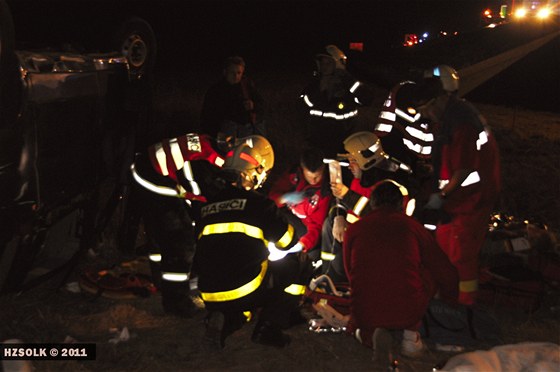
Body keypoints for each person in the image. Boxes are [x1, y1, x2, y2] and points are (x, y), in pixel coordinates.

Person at [192, 137, 312, 349]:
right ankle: (270, 326)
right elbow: (287, 242)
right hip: (245, 289)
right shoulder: (259, 204)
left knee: (239, 295)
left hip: (208, 291)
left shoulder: (206, 205)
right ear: (256, 171)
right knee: (299, 262)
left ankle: (224, 319)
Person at [343, 180, 459, 366]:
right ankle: (410, 338)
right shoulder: (412, 227)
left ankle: (368, 335)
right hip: (408, 310)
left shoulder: (355, 229)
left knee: (366, 279)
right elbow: (443, 269)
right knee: (426, 270)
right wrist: (451, 299)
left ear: (372, 203)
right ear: (400, 204)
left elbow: (350, 271)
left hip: (365, 310)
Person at [415, 65, 501, 306]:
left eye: (428, 109)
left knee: (462, 256)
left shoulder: (461, 122)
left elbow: (463, 169)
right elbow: (452, 161)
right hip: (459, 198)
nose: (428, 115)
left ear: (441, 98)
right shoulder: (451, 115)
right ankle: (445, 299)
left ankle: (464, 308)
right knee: (443, 249)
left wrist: (440, 195)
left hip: (471, 199)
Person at [124, 132, 230, 316]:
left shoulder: (209, 145)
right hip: (155, 180)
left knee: (159, 232)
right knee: (181, 240)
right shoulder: (206, 163)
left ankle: (160, 279)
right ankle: (177, 302)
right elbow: (197, 194)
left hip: (144, 169)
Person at [321, 131, 416, 282]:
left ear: (366, 161)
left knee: (339, 264)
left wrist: (347, 195)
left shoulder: (391, 188)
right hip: (354, 245)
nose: (350, 166)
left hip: (375, 255)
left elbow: (380, 218)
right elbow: (346, 206)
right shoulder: (359, 181)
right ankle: (327, 279)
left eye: (353, 161)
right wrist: (339, 216)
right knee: (329, 223)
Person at [300, 45, 373, 158]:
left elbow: (366, 99)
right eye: (322, 63)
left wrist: (348, 82)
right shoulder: (315, 84)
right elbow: (302, 106)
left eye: (328, 63)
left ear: (338, 64)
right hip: (318, 142)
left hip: (344, 142)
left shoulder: (348, 84)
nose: (324, 67)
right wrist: (319, 91)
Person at [268, 147, 332, 262]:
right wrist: (283, 198)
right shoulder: (293, 175)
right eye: (310, 176)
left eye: (317, 176)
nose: (314, 180)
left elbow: (316, 227)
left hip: (304, 227)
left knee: (311, 256)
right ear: (302, 169)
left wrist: (302, 245)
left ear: (323, 168)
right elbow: (271, 199)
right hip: (287, 216)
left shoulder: (324, 192)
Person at [200, 56, 265, 139]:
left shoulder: (247, 86)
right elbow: (207, 116)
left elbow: (261, 105)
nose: (236, 76)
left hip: (247, 132)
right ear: (225, 72)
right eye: (232, 72)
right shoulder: (216, 91)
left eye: (239, 73)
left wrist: (253, 105)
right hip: (226, 134)